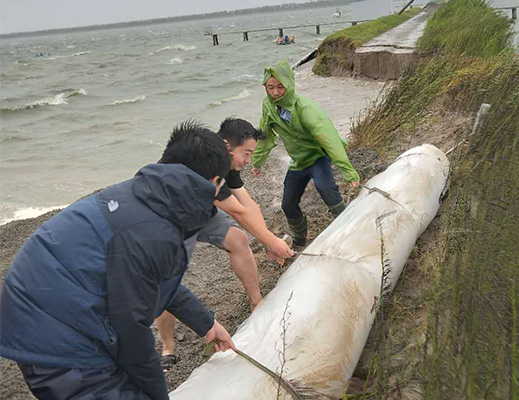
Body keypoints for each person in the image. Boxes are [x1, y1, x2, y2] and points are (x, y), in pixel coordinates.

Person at [0, 121, 236, 400]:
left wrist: (206, 323)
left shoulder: (144, 194)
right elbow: (132, 330)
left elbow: (147, 278)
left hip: (40, 304)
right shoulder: (155, 231)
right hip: (55, 337)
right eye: (221, 185)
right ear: (211, 182)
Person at [156, 117, 294, 372]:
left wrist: (267, 240)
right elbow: (237, 212)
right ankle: (168, 347)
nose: (248, 160)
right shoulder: (207, 164)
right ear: (228, 147)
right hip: (170, 217)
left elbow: (248, 204)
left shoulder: (229, 164)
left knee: (238, 239)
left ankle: (257, 303)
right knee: (167, 281)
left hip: (201, 210)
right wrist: (271, 241)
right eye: (247, 153)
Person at [252, 59, 360, 247]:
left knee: (326, 189)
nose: (275, 92)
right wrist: (257, 161)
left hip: (317, 156)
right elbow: (265, 135)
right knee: (287, 205)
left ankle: (350, 229)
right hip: (298, 161)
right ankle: (300, 240)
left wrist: (348, 172)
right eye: (270, 88)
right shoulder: (269, 107)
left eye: (280, 87)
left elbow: (330, 140)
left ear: (289, 84)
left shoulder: (306, 109)